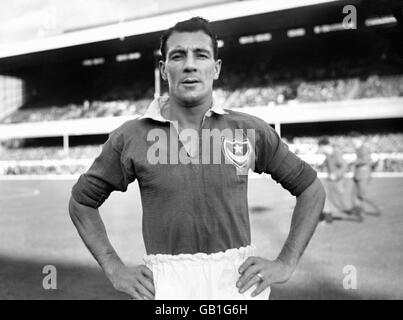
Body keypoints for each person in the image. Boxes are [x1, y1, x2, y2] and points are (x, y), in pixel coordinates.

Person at [69, 17, 325, 300]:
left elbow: (311, 188)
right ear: (164, 70)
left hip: (237, 286)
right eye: (178, 56)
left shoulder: (249, 130)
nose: (189, 64)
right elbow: (82, 201)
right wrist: (113, 267)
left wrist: (286, 262)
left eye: (200, 54)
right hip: (165, 287)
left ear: (215, 69)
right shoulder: (130, 136)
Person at [318, 137, 362, 223]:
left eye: (321, 148)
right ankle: (328, 214)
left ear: (325, 146)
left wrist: (335, 175)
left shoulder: (336, 154)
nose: (321, 150)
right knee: (325, 194)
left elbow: (344, 166)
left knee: (342, 202)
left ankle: (353, 212)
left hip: (339, 181)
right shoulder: (328, 156)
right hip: (331, 181)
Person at [350, 132, 381, 216]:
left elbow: (365, 160)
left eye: (352, 139)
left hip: (363, 174)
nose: (352, 141)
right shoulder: (359, 148)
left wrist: (353, 162)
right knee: (355, 194)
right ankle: (359, 211)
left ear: (356, 139)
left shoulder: (364, 148)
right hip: (358, 173)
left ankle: (377, 207)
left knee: (362, 194)